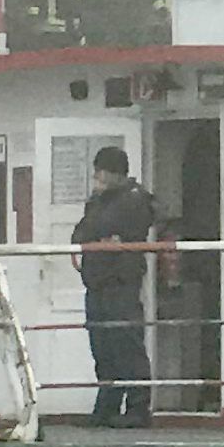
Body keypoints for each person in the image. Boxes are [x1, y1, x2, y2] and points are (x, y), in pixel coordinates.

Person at [73, 143, 157, 426]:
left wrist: (101, 236)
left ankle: (138, 408)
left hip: (121, 283)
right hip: (96, 284)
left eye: (101, 171)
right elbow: (81, 233)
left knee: (127, 345)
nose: (97, 177)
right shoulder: (98, 200)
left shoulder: (135, 199)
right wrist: (101, 239)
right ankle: (107, 405)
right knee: (102, 347)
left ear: (114, 172)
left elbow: (116, 226)